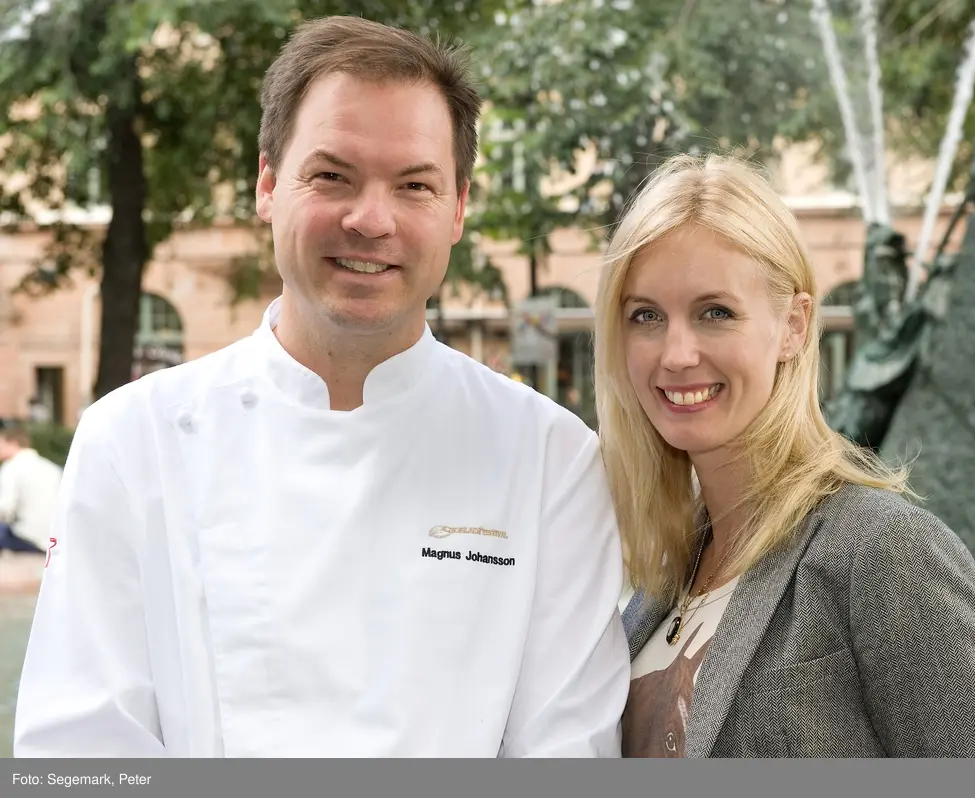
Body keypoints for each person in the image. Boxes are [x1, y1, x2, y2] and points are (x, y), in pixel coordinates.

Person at [14, 16, 629, 757]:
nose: (371, 220)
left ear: (459, 208)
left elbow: (567, 753)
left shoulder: (553, 462)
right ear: (268, 186)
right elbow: (80, 750)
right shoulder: (132, 441)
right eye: (331, 176)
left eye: (415, 186)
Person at [593, 153, 975, 758]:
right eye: (646, 316)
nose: (675, 353)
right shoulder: (667, 575)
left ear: (793, 325)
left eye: (714, 313)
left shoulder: (882, 553)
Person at [0, 421, 62, 555]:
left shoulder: (11, 467)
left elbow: (5, 509)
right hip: (54, 538)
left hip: (27, 538)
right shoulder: (51, 468)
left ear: (13, 443)